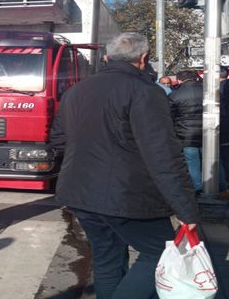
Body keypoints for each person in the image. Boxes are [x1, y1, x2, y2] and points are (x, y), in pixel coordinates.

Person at [50, 33, 200, 299]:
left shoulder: (76, 91)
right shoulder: (145, 91)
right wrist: (187, 209)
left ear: (106, 58)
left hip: (81, 191)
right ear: (143, 59)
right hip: (128, 194)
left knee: (107, 259)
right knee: (161, 253)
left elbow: (59, 140)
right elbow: (163, 154)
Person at [169, 70, 204, 193]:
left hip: (186, 133)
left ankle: (197, 187)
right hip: (209, 132)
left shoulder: (175, 94)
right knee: (213, 159)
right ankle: (219, 185)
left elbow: (170, 115)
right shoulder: (209, 91)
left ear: (179, 80)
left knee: (191, 161)